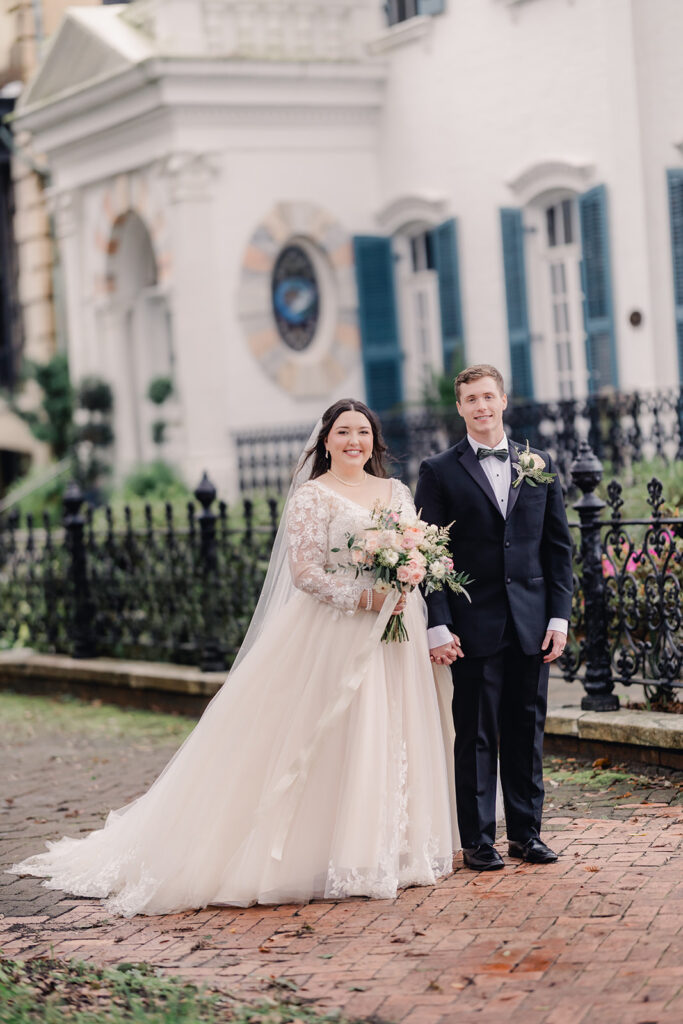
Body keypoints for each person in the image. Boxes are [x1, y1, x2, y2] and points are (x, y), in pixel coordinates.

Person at [10, 399, 459, 916]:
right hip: (333, 633)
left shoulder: (397, 492)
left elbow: (419, 554)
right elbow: (305, 573)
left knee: (388, 730)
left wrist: (407, 578)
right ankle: (327, 850)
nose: (353, 441)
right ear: (326, 441)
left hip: (393, 636)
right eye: (343, 432)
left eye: (362, 431)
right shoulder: (313, 497)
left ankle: (383, 847)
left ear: (375, 441)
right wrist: (365, 599)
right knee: (325, 734)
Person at [415, 365, 573, 871]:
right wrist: (438, 623)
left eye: (488, 397)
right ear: (459, 408)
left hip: (532, 623)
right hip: (472, 624)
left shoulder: (538, 463)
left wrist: (560, 617)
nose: (481, 407)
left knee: (527, 731)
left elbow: (557, 550)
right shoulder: (438, 471)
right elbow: (430, 555)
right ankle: (478, 841)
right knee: (477, 734)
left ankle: (527, 835)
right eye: (470, 399)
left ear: (504, 400)